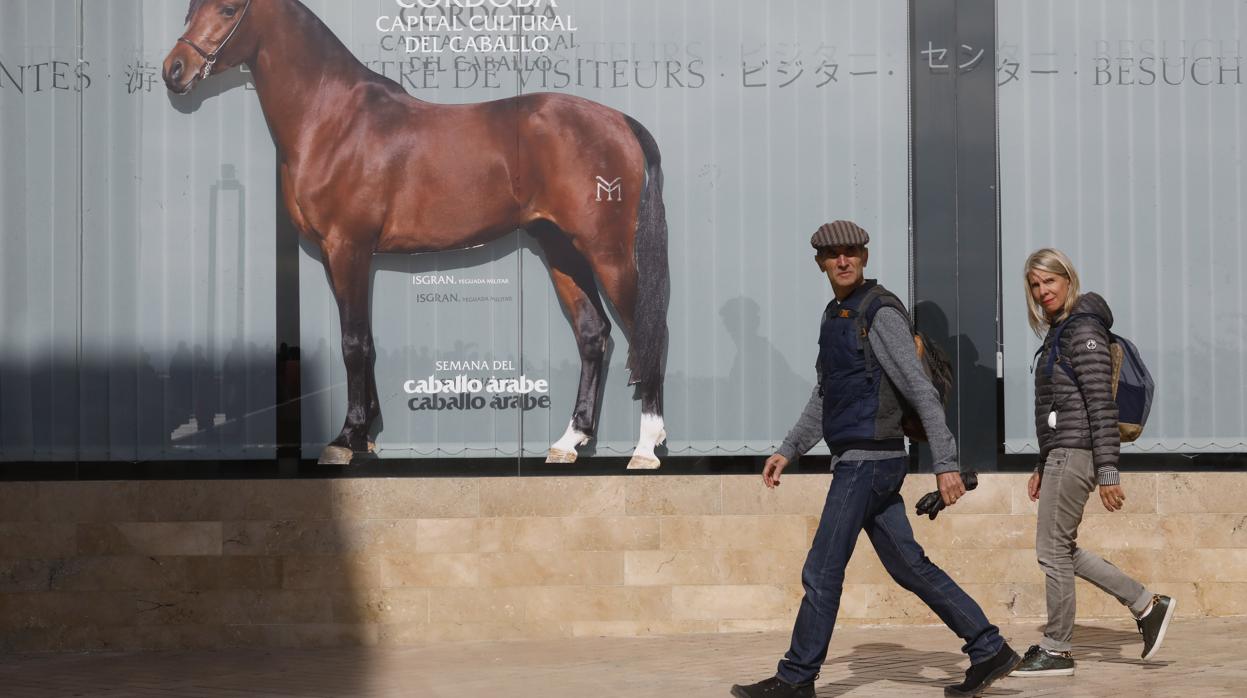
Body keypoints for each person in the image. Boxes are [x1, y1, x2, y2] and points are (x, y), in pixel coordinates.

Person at [731, 221, 1019, 698]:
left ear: (864, 256)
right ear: (820, 263)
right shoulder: (835, 314)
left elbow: (919, 388)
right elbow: (826, 394)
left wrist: (945, 461)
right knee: (909, 566)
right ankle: (988, 647)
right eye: (832, 255)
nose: (842, 261)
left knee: (822, 568)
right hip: (865, 460)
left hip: (868, 462)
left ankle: (796, 678)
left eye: (851, 253)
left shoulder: (879, 312)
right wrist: (789, 448)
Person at [1012, 248, 1176, 677]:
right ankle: (1147, 604)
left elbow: (1100, 405)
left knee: (1051, 553)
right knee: (1061, 550)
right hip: (1063, 453)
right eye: (1035, 284)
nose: (1042, 290)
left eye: (1050, 280)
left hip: (1078, 453)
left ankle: (1057, 649)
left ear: (1068, 279)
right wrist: (1042, 463)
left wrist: (1108, 470)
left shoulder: (1082, 328)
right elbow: (1058, 407)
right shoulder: (1060, 330)